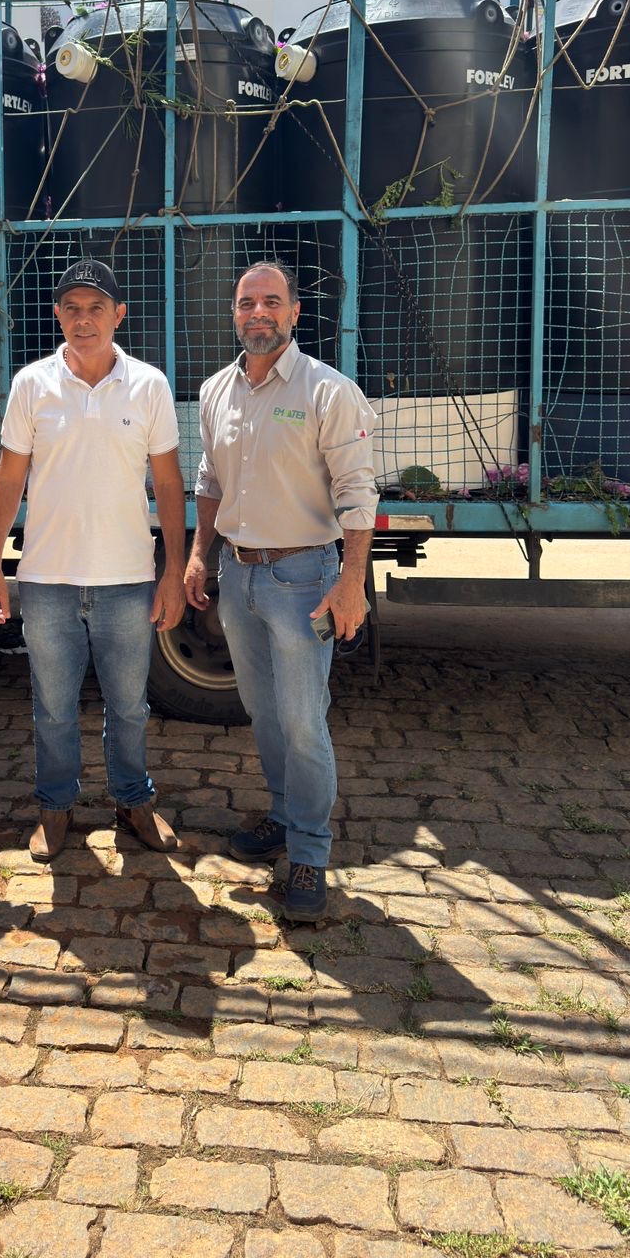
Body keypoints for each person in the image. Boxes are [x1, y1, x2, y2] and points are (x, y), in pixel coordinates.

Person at [184, 260, 377, 921]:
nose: (258, 312)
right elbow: (210, 480)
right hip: (238, 577)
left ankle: (310, 855)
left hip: (303, 579)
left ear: (295, 312)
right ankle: (284, 813)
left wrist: (351, 582)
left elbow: (357, 492)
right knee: (262, 712)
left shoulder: (328, 391)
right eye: (247, 303)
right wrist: (198, 556)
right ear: (234, 314)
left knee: (302, 720)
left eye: (271, 301)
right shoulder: (216, 391)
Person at [0, 258, 186, 862]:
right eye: (72, 308)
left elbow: (168, 483)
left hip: (127, 578)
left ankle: (133, 800)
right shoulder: (31, 385)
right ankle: (55, 806)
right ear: (57, 315)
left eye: (97, 308)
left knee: (130, 707)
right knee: (53, 708)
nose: (84, 319)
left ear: (119, 315)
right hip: (48, 579)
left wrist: (173, 571)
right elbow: (9, 478)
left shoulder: (149, 385)